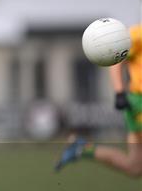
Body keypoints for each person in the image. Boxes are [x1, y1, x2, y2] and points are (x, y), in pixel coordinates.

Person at [56, 23, 142, 177]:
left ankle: (81, 148)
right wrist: (119, 92)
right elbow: (117, 59)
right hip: (139, 103)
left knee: (135, 166)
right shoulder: (137, 35)